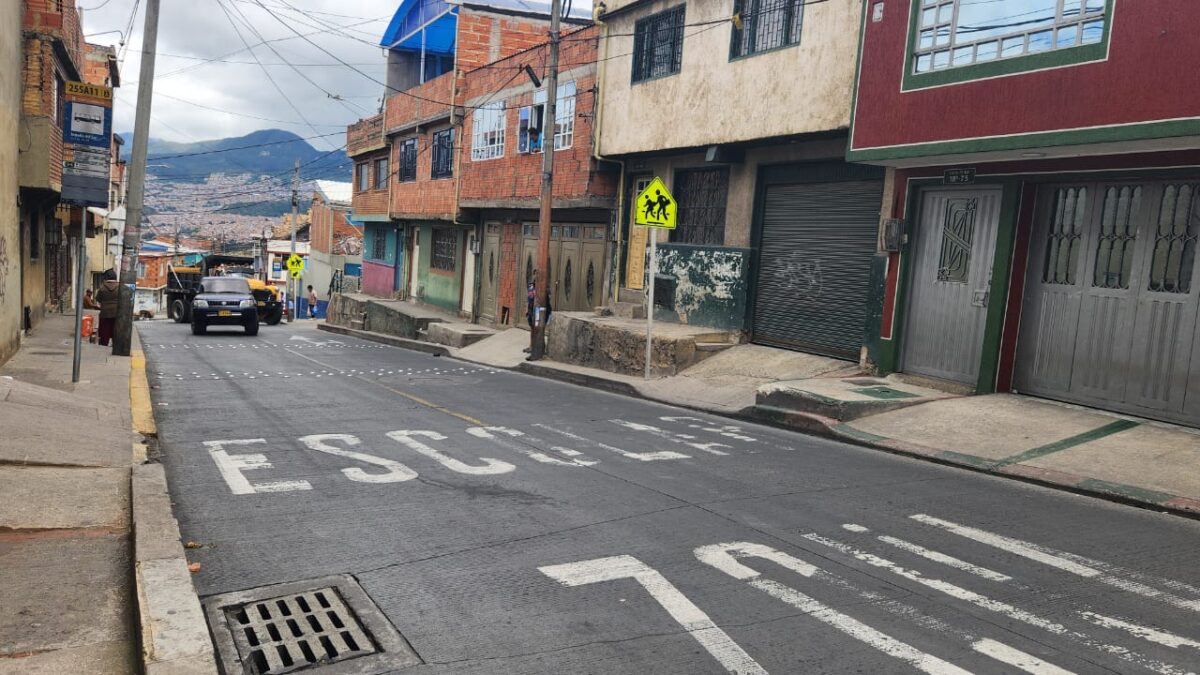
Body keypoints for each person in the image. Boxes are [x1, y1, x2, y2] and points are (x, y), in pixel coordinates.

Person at [95, 269, 121, 347]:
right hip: (117, 312)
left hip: (105, 312)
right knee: (115, 330)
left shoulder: (102, 287)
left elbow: (98, 299)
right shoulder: (120, 287)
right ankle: (115, 345)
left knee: (105, 331)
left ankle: (103, 345)